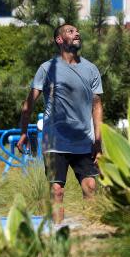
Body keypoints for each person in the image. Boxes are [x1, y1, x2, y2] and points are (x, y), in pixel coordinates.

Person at [17, 24, 103, 224]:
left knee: (90, 186)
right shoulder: (47, 69)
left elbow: (97, 106)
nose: (77, 33)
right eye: (70, 31)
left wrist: (98, 141)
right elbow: (28, 104)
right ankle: (57, 236)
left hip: (84, 141)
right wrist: (23, 133)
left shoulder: (91, 69)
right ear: (59, 40)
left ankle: (90, 233)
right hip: (55, 141)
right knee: (56, 190)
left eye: (77, 31)